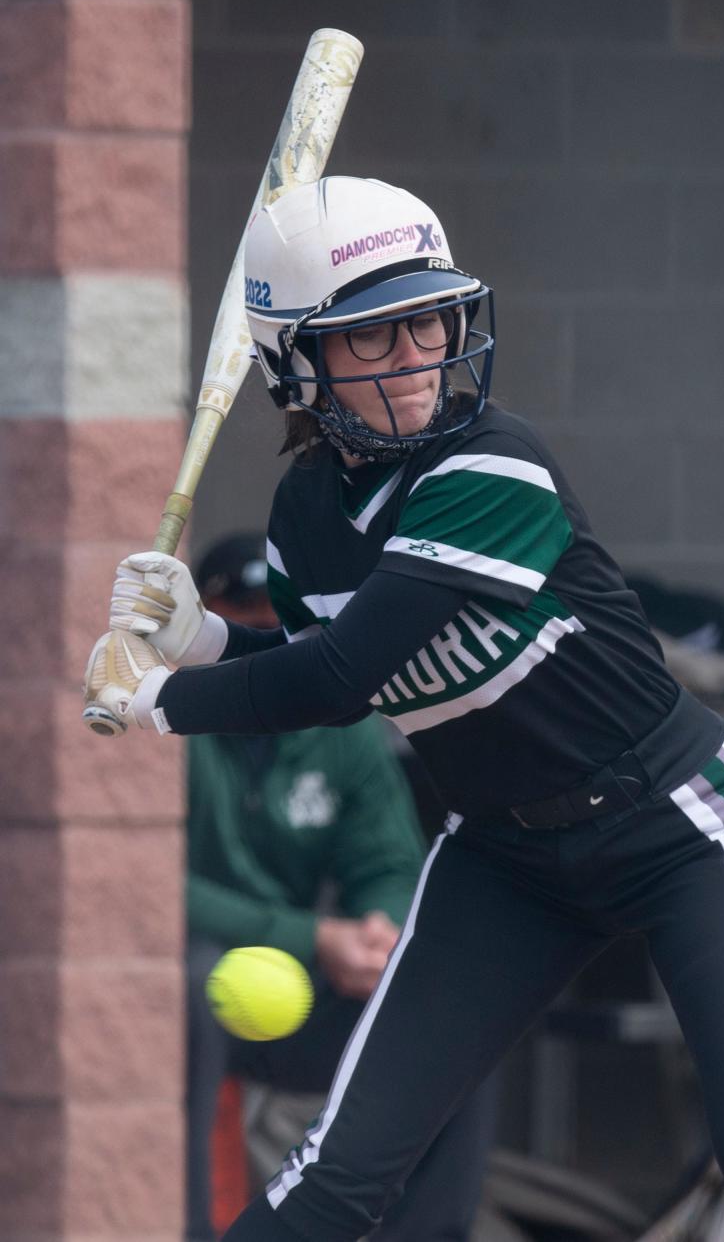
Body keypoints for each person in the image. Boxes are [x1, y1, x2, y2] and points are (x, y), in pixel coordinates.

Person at [85, 175, 724, 1242]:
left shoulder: (490, 469)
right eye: (373, 335)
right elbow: (334, 657)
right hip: (506, 861)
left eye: (429, 317)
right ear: (297, 364)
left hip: (682, 829)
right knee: (337, 1178)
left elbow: (335, 683)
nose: (418, 352)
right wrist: (202, 639)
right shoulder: (306, 515)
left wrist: (161, 699)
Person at [183, 532, 495, 1242]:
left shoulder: (341, 724)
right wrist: (311, 936)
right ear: (200, 621)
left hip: (300, 988)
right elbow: (145, 894)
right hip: (187, 987)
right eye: (238, 618)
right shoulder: (168, 719)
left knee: (455, 1005)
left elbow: (386, 861)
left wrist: (380, 929)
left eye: (273, 621)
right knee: (188, 978)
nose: (258, 636)